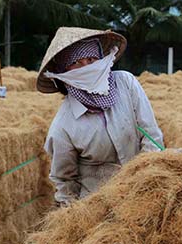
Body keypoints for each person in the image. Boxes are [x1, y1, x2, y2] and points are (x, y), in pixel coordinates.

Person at [37, 27, 163, 206]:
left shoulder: (126, 84)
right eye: (77, 63)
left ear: (101, 59)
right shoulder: (62, 128)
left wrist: (141, 181)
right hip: (98, 206)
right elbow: (65, 183)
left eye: (91, 59)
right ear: (65, 72)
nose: (87, 68)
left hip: (143, 192)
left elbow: (152, 137)